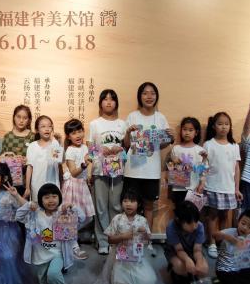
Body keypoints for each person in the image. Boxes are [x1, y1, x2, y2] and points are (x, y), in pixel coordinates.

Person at [16, 183, 85, 284]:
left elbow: (82, 218)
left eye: (54, 196)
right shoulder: (35, 214)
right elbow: (18, 216)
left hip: (57, 253)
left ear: (59, 198)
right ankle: (55, 279)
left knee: (53, 274)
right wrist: (28, 205)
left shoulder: (63, 213)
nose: (51, 200)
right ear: (40, 200)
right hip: (41, 255)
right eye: (46, 197)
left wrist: (73, 207)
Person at [91, 191, 168, 284]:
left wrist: (144, 234)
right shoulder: (117, 219)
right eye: (125, 201)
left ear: (138, 204)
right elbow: (110, 240)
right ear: (121, 203)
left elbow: (147, 241)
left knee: (150, 283)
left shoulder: (142, 220)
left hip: (137, 260)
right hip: (121, 260)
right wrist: (122, 236)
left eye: (132, 201)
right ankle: (120, 277)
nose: (128, 204)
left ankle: (134, 283)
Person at [123, 82, 172, 255]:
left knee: (149, 206)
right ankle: (129, 239)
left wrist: (169, 138)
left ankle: (146, 240)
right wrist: (128, 132)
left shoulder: (160, 118)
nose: (149, 96)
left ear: (156, 97)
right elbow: (126, 145)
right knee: (130, 205)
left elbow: (163, 144)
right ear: (140, 96)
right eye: (145, 93)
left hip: (151, 171)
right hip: (132, 170)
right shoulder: (132, 116)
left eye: (152, 93)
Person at [87, 89, 127, 255]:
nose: (109, 102)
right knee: (101, 207)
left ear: (116, 103)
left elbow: (127, 147)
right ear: (100, 103)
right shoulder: (95, 124)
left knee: (116, 205)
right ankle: (103, 241)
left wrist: (120, 149)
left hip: (118, 170)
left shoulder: (122, 124)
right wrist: (100, 150)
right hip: (99, 170)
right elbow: (90, 148)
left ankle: (114, 240)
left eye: (112, 99)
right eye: (105, 99)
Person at [203, 112, 242, 259]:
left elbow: (236, 168)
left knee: (225, 216)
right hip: (212, 186)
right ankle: (212, 242)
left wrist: (236, 188)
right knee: (212, 216)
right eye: (220, 124)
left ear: (230, 126)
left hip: (229, 188)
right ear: (214, 126)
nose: (223, 127)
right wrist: (202, 183)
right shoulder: (208, 144)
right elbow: (204, 167)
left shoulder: (234, 145)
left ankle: (223, 242)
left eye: (226, 124)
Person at [62, 118, 95, 260]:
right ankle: (74, 246)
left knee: (88, 217)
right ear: (68, 136)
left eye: (80, 131)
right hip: (73, 186)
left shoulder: (85, 147)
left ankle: (68, 236)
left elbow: (89, 163)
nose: (78, 135)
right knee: (72, 217)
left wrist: (89, 175)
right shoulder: (70, 150)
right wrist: (84, 165)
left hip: (82, 185)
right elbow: (73, 172)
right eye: (73, 133)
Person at [164, 201, 209, 284]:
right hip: (175, 252)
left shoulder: (200, 227)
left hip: (192, 251)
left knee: (204, 269)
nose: (194, 226)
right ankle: (175, 271)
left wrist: (199, 262)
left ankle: (191, 275)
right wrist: (187, 260)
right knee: (180, 267)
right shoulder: (171, 227)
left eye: (196, 221)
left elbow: (197, 250)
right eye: (189, 223)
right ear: (178, 220)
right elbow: (179, 250)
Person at [167, 117, 205, 206]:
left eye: (190, 130)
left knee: (191, 211)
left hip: (193, 188)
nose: (187, 132)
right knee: (178, 210)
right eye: (184, 129)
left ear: (196, 132)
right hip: (178, 187)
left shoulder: (200, 150)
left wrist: (202, 184)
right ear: (181, 131)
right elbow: (171, 168)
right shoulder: (176, 149)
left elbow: (202, 170)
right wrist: (174, 163)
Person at [25, 115, 63, 203]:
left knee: (53, 206)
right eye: (43, 126)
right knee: (38, 207)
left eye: (49, 126)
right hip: (37, 184)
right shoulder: (32, 146)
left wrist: (61, 183)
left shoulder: (55, 143)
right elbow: (29, 168)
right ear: (37, 130)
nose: (47, 129)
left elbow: (58, 164)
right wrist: (27, 187)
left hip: (53, 184)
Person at [0, 105, 36, 196]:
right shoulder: (8, 136)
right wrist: (10, 159)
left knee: (25, 203)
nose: (21, 120)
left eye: (25, 118)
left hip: (28, 179)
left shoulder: (33, 137)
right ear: (14, 117)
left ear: (29, 120)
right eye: (18, 117)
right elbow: (2, 158)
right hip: (10, 179)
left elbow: (37, 159)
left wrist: (27, 160)